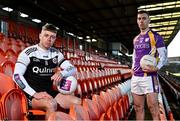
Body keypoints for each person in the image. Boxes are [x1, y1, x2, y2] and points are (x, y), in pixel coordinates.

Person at [13, 23, 81, 120]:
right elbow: (16, 76)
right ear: (40, 35)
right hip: (31, 95)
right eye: (46, 35)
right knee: (51, 104)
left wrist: (62, 73)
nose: (49, 39)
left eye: (52, 37)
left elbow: (72, 68)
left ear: (55, 39)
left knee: (78, 102)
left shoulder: (56, 54)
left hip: (49, 92)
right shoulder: (28, 53)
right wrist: (34, 94)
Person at [131, 10, 167, 120]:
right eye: (139, 19)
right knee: (138, 108)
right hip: (136, 77)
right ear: (137, 21)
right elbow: (134, 55)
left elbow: (164, 56)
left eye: (144, 18)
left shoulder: (155, 36)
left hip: (149, 77)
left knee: (153, 108)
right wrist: (132, 67)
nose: (141, 21)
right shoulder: (136, 39)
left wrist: (157, 67)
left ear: (149, 20)